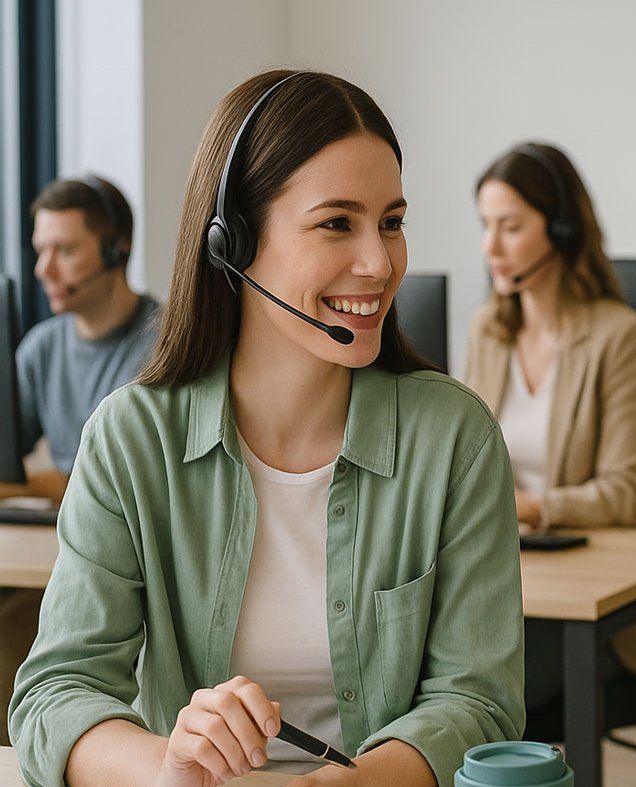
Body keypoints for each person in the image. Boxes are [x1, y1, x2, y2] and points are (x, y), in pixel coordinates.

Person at [9, 70, 524, 787]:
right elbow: (53, 694)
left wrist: (351, 783)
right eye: (336, 222)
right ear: (232, 242)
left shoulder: (454, 439)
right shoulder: (130, 438)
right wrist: (167, 764)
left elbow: (478, 700)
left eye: (392, 222)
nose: (379, 262)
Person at [465, 141, 636, 717]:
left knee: (473, 705)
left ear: (563, 229)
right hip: (495, 580)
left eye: (510, 227)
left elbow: (625, 495)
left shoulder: (621, 337)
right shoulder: (488, 332)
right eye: (485, 226)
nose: (490, 247)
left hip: (581, 599)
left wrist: (528, 506)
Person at [0, 175, 159, 747]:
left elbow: (129, 483)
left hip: (121, 555)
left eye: (64, 250)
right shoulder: (41, 346)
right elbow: (6, 461)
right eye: (40, 250)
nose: (44, 269)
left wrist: (38, 484)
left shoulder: (164, 342)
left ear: (115, 250)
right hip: (54, 545)